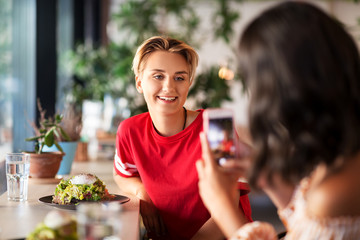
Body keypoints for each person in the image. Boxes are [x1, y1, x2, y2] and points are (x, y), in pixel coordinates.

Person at [196, 1, 360, 239]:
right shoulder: (340, 153)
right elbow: (310, 227)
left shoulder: (332, 194)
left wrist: (222, 207)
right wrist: (269, 180)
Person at [113, 36, 252, 240]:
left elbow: (226, 211)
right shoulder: (129, 130)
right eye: (158, 76)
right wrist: (143, 194)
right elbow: (123, 174)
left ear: (189, 84)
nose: (169, 87)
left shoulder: (217, 127)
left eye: (179, 77)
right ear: (139, 82)